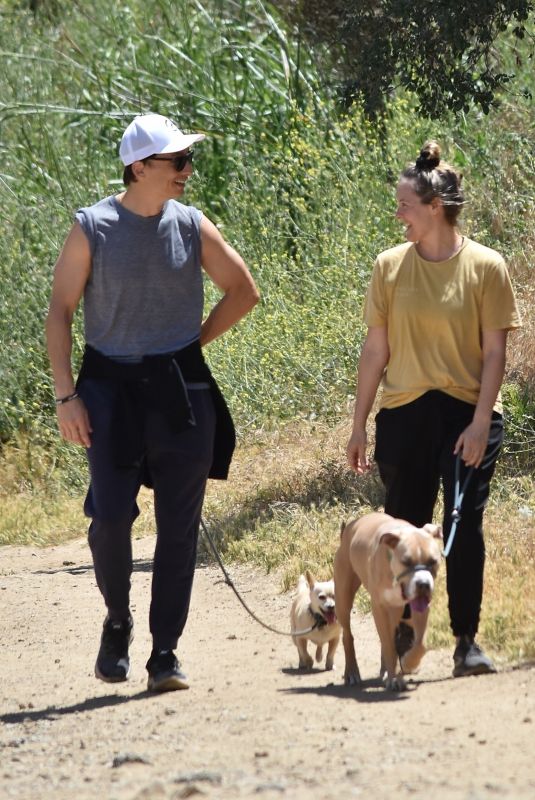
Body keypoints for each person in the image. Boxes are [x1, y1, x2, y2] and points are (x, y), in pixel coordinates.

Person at [46, 113, 259, 692]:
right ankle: (118, 621)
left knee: (179, 528)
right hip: (107, 391)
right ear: (140, 167)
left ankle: (165, 652)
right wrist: (66, 395)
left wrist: (190, 345)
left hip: (180, 391)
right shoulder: (93, 227)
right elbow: (60, 312)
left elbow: (244, 291)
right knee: (110, 519)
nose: (188, 171)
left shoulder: (190, 225)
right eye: (178, 162)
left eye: (188, 160)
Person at [346, 140, 521, 678]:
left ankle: (466, 640)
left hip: (466, 416)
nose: (398, 215)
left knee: (462, 526)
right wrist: (358, 427)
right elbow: (376, 351)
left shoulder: (487, 267)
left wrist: (479, 421)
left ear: (435, 209)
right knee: (401, 532)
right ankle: (403, 632)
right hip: (403, 418)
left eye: (405, 206)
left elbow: (495, 353)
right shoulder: (389, 267)